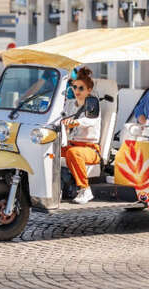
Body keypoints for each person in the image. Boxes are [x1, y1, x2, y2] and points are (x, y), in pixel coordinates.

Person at [61, 67, 101, 204]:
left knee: (73, 153)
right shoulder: (70, 104)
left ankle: (85, 189)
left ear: (89, 90)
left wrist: (75, 122)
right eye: (74, 87)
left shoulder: (93, 105)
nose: (76, 91)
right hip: (71, 145)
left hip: (90, 149)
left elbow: (90, 121)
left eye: (81, 88)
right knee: (48, 150)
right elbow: (61, 117)